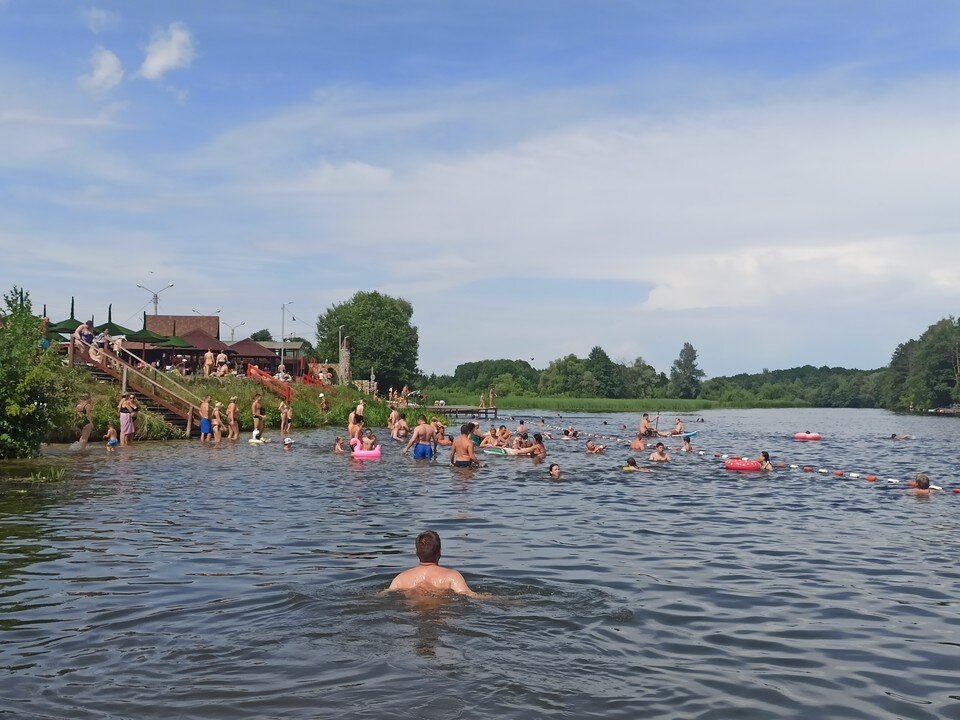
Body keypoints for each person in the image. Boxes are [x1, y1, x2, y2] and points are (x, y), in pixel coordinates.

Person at [388, 530, 478, 596]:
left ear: (416, 552)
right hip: (440, 615)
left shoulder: (400, 579)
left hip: (413, 615)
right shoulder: (451, 576)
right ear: (439, 552)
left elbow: (385, 594)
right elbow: (470, 595)